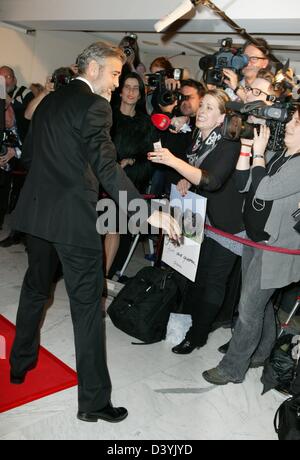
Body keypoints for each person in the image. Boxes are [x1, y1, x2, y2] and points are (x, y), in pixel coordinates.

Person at [9, 41, 180, 423]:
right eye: (116, 74)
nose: (119, 84)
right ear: (93, 69)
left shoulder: (50, 100)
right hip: (72, 219)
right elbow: (106, 166)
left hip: (36, 215)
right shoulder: (96, 106)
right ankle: (93, 402)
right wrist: (143, 211)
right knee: (87, 308)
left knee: (35, 289)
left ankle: (19, 366)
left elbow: (32, 155)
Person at [203, 106, 300, 386]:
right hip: (254, 237)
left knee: (248, 309)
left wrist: (258, 153)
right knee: (259, 303)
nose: (290, 126)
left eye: (296, 122)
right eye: (292, 120)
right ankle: (262, 350)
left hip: (276, 247)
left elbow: (265, 189)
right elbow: (245, 182)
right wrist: (247, 148)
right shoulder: (283, 154)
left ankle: (233, 368)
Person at [148, 89, 244, 353]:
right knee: (197, 277)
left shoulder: (228, 143)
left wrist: (177, 164)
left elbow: (212, 180)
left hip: (228, 226)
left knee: (213, 281)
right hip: (200, 218)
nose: (201, 110)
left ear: (221, 118)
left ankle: (198, 336)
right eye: (202, 105)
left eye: (210, 108)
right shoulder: (197, 140)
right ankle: (196, 322)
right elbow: (198, 173)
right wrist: (185, 177)